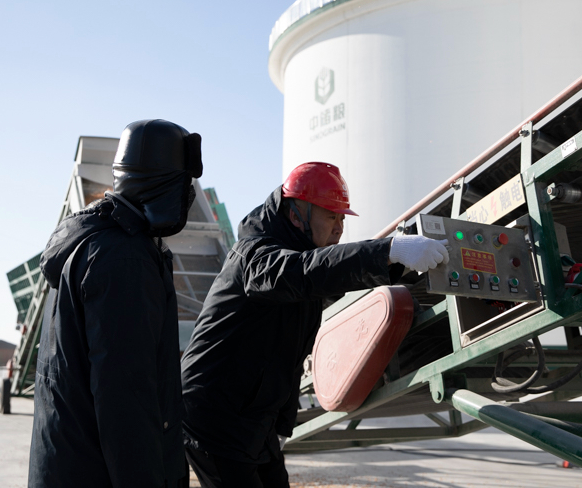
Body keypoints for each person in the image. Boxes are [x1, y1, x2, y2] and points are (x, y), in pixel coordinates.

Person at [180, 161, 449, 487]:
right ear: (296, 216)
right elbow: (303, 271)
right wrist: (388, 251)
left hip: (254, 418)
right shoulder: (256, 256)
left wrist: (282, 424)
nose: (339, 228)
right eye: (331, 217)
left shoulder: (304, 272)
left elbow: (290, 359)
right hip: (214, 414)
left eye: (342, 219)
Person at [28, 119, 203, 488]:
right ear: (165, 183)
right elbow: (126, 402)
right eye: (184, 182)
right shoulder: (125, 259)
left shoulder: (92, 242)